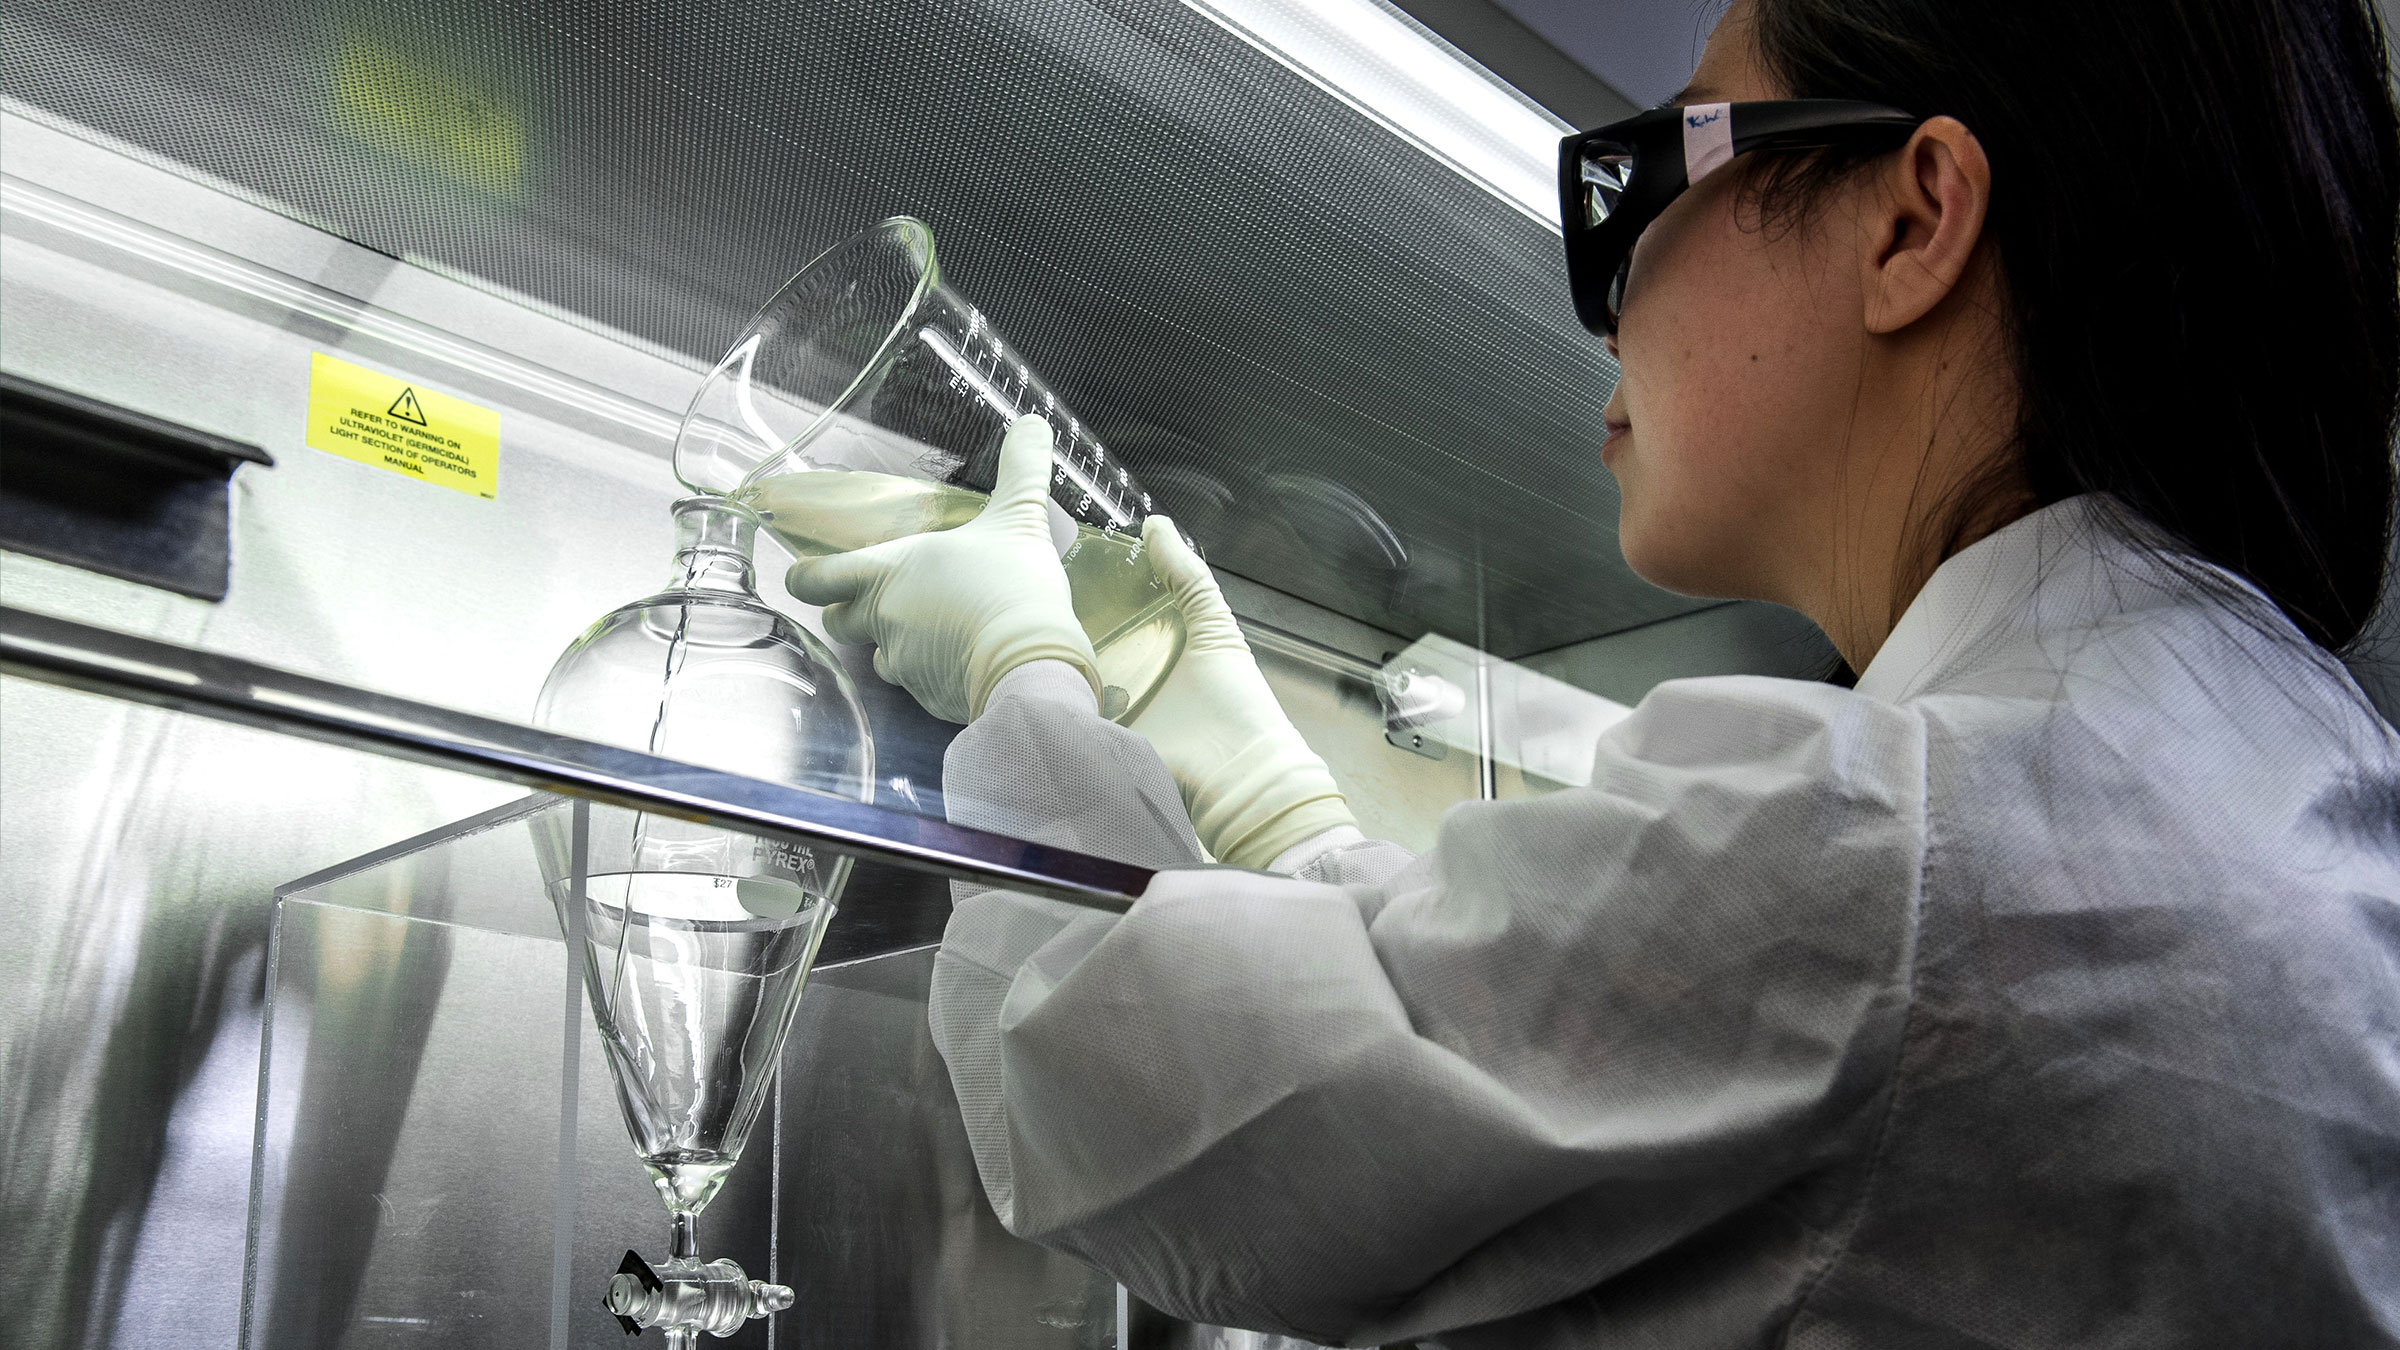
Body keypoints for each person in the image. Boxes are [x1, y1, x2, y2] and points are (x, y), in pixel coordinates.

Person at [784, 0, 2400, 1344]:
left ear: (1911, 221)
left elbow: (1123, 1100)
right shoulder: (2263, 757)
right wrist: (1268, 796)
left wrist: (1024, 680)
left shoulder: (1903, 835)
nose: (1613, 305)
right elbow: (1551, 1024)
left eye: (1661, 163)